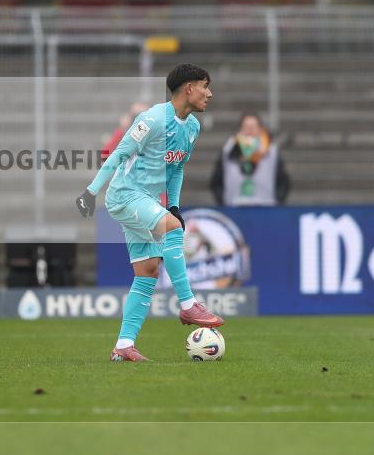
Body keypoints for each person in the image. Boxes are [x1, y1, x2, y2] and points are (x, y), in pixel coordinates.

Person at [76, 64, 223, 363]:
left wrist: (174, 206)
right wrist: (91, 192)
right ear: (188, 88)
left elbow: (177, 167)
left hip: (148, 199)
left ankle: (123, 346)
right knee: (172, 230)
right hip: (125, 194)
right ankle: (188, 303)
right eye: (205, 86)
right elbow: (118, 153)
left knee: (148, 272)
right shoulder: (153, 119)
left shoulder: (192, 128)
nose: (209, 93)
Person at [210, 113, 290, 206]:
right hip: (234, 208)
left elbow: (283, 183)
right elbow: (216, 182)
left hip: (266, 209)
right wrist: (223, 203)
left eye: (253, 127)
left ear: (260, 129)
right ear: (240, 129)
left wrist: (277, 204)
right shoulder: (228, 151)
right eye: (246, 127)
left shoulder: (271, 152)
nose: (249, 131)